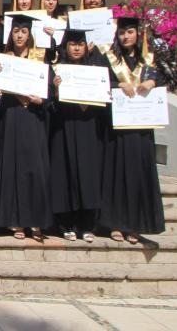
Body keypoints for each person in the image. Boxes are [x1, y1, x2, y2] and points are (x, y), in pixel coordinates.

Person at [100, 16, 165, 244]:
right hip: (117, 128)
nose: (125, 36)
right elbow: (99, 82)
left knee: (138, 174)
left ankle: (134, 225)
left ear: (138, 34)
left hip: (141, 128)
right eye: (122, 33)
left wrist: (152, 82)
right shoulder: (110, 59)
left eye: (130, 32)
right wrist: (118, 84)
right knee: (117, 174)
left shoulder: (148, 60)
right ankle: (116, 223)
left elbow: (161, 79)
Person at [0, 13, 53, 241]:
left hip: (33, 118)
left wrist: (41, 101)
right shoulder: (4, 59)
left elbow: (50, 92)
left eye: (24, 31)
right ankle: (15, 220)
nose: (19, 35)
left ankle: (35, 220)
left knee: (34, 168)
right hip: (11, 116)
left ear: (30, 35)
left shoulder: (40, 58)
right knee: (12, 167)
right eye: (16, 31)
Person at [50, 28, 107, 242]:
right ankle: (66, 224)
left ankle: (87, 224)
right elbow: (49, 107)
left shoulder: (95, 70)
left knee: (87, 174)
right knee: (66, 174)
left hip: (88, 129)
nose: (76, 48)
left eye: (80, 44)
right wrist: (55, 91)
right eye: (72, 44)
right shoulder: (57, 70)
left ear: (86, 47)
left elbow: (102, 104)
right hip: (64, 128)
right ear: (66, 47)